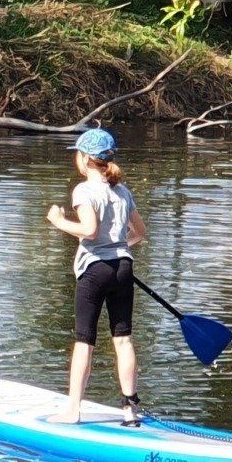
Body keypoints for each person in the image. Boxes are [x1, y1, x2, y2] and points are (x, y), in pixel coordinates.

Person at [46, 127, 148, 424]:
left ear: (87, 159)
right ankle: (131, 411)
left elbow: (88, 230)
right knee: (123, 339)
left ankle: (73, 410)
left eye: (78, 154)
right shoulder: (123, 191)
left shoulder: (83, 190)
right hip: (123, 268)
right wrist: (118, 247)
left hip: (94, 270)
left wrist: (59, 221)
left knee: (84, 341)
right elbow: (139, 233)